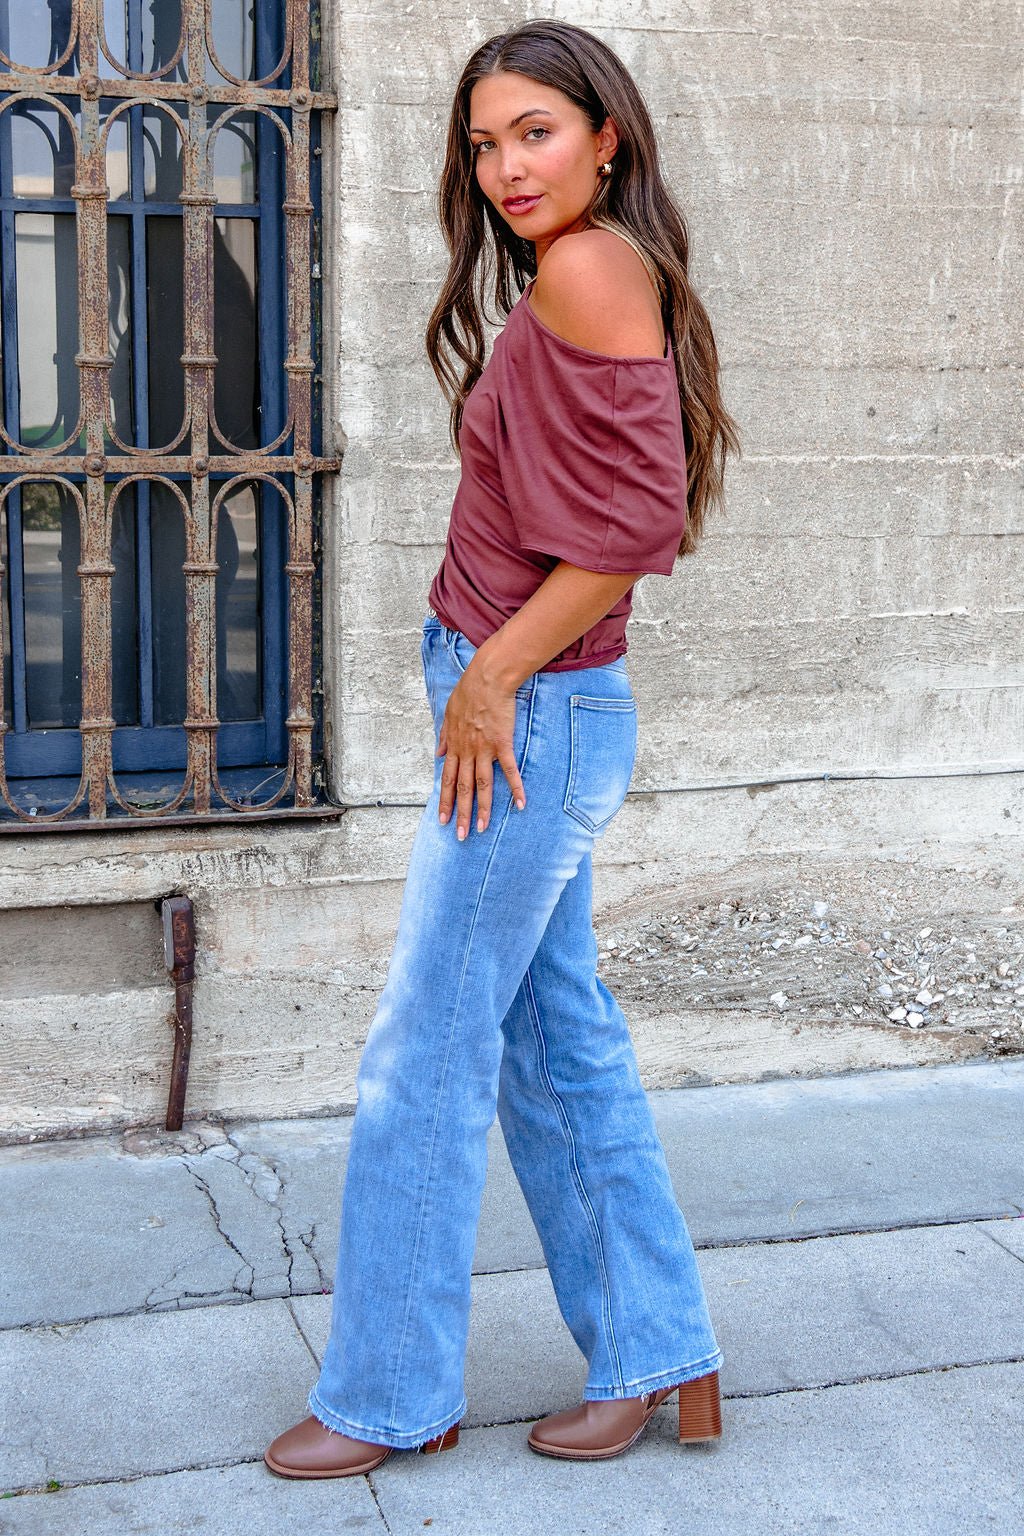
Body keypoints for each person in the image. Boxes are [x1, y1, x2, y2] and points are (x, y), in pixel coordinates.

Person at [265, 17, 740, 1478]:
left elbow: (633, 533)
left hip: (525, 718)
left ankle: (387, 1394)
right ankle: (664, 1357)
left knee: (425, 1054)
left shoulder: (593, 267)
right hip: (527, 707)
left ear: (610, 135)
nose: (507, 164)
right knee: (555, 1044)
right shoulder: (571, 268)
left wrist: (488, 684)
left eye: (535, 129)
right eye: (484, 142)